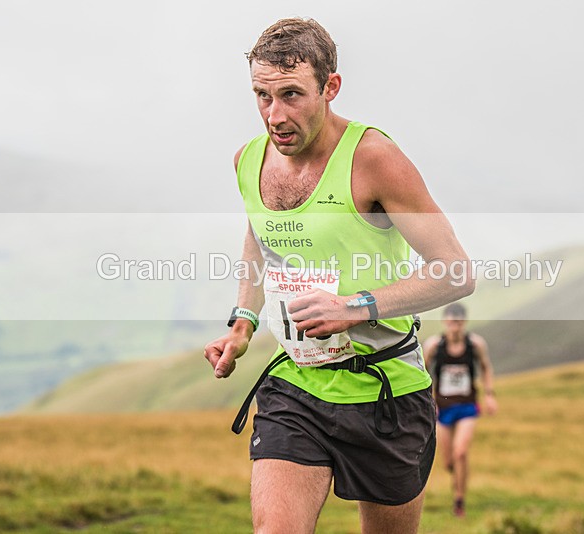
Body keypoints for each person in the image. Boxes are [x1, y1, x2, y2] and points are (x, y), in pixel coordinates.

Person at [203, 17, 474, 534]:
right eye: (262, 95)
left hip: (386, 393)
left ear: (330, 88)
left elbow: (456, 273)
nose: (274, 115)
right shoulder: (249, 160)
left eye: (291, 95)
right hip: (297, 387)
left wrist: (355, 307)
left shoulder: (374, 159)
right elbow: (261, 238)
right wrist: (242, 324)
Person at [422, 303, 496, 517]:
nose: (455, 326)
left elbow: (485, 367)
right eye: (451, 321)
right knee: (448, 461)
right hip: (442, 408)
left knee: (461, 451)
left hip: (467, 406)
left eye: (459, 321)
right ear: (445, 321)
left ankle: (459, 500)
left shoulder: (475, 344)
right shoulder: (434, 345)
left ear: (464, 322)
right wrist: (428, 400)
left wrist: (490, 394)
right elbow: (424, 372)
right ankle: (457, 477)